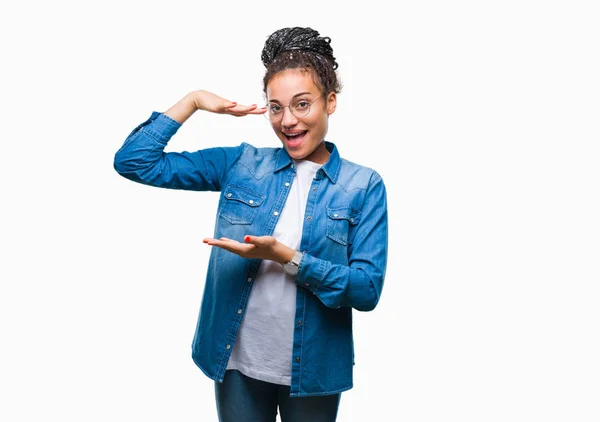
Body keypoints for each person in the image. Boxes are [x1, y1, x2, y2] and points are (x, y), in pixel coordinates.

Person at [113, 26, 388, 422]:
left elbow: (366, 290)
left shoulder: (363, 185)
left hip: (313, 371)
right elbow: (134, 162)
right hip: (236, 363)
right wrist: (191, 101)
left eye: (302, 104)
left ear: (330, 102)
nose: (287, 121)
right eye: (276, 107)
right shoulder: (241, 164)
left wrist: (288, 257)